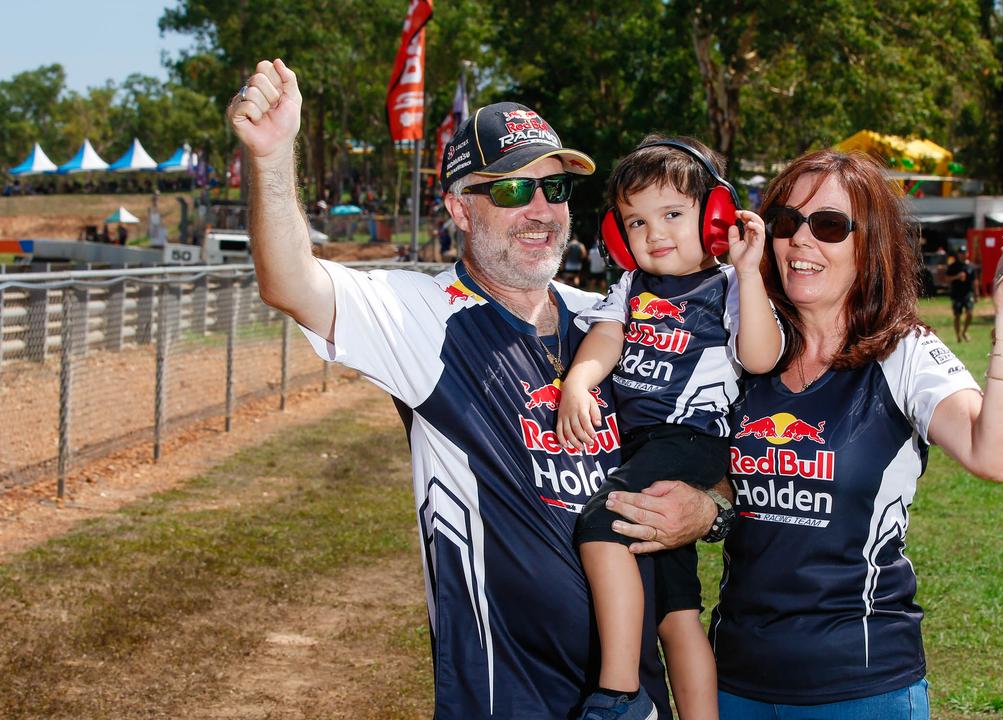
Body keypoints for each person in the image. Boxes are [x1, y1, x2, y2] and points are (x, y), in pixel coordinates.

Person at [226, 59, 729, 719]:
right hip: (504, 698)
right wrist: (271, 158)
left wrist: (711, 508)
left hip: (633, 703)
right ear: (461, 208)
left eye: (554, 189)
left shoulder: (612, 319)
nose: (542, 211)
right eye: (513, 193)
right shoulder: (426, 316)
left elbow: (715, 431)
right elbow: (292, 282)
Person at [608, 149, 1003, 718]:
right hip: (736, 680)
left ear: (869, 243)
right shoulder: (745, 342)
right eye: (786, 223)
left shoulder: (905, 355)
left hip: (861, 684)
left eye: (828, 225)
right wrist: (707, 511)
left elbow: (995, 456)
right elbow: (721, 479)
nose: (801, 241)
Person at [556, 137, 783, 720]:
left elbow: (760, 356)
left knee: (600, 526)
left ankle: (619, 694)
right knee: (676, 611)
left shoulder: (730, 286)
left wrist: (750, 274)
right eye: (636, 221)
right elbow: (605, 339)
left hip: (690, 439)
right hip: (646, 448)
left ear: (715, 217)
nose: (654, 233)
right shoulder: (631, 289)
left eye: (674, 214)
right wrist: (579, 382)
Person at [945, 245, 977, 342]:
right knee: (957, 315)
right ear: (958, 255)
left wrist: (976, 293)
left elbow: (974, 281)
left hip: (968, 293)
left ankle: (964, 332)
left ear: (967, 254)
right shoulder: (953, 266)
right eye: (961, 253)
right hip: (957, 293)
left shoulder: (970, 266)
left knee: (970, 313)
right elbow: (946, 278)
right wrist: (957, 277)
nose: (963, 255)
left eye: (964, 253)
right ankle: (958, 335)